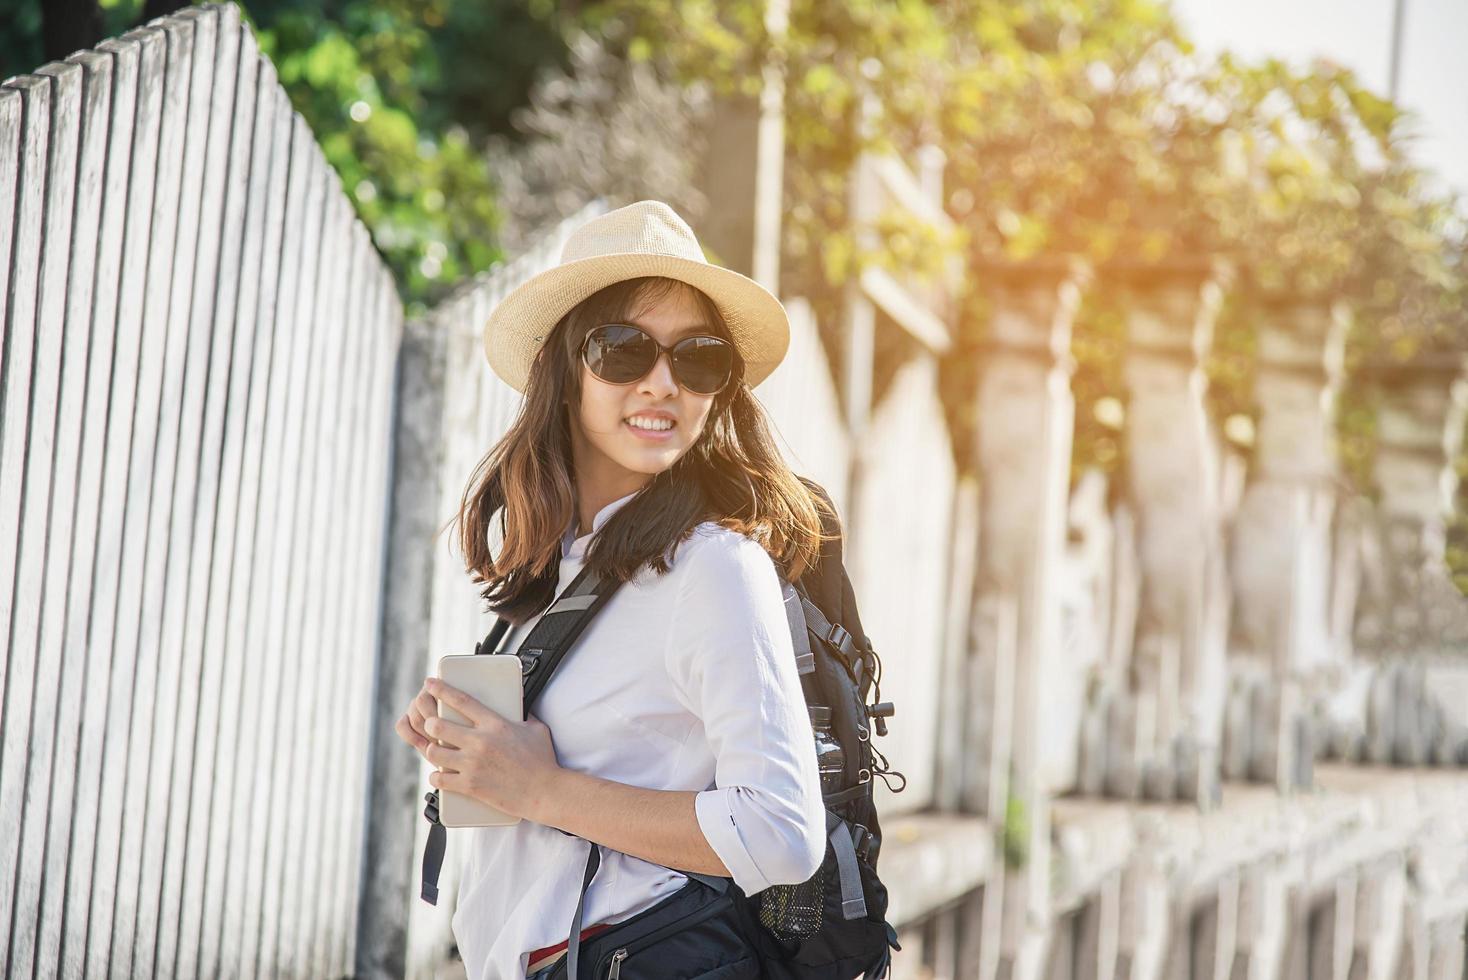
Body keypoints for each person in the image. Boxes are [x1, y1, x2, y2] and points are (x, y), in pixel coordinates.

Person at [393, 200, 835, 980]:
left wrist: (542, 788)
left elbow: (781, 833)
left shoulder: (714, 568)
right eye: (624, 349)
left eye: (697, 359)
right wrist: (478, 748)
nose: (663, 382)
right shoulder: (562, 568)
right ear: (566, 372)